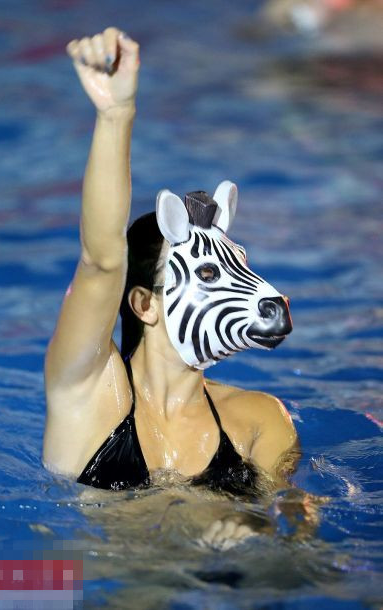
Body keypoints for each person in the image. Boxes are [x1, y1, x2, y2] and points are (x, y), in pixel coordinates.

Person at [43, 27, 298, 499]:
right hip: (96, 575)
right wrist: (116, 113)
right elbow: (101, 261)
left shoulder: (260, 419)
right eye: (206, 273)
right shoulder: (87, 397)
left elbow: (294, 533)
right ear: (144, 304)